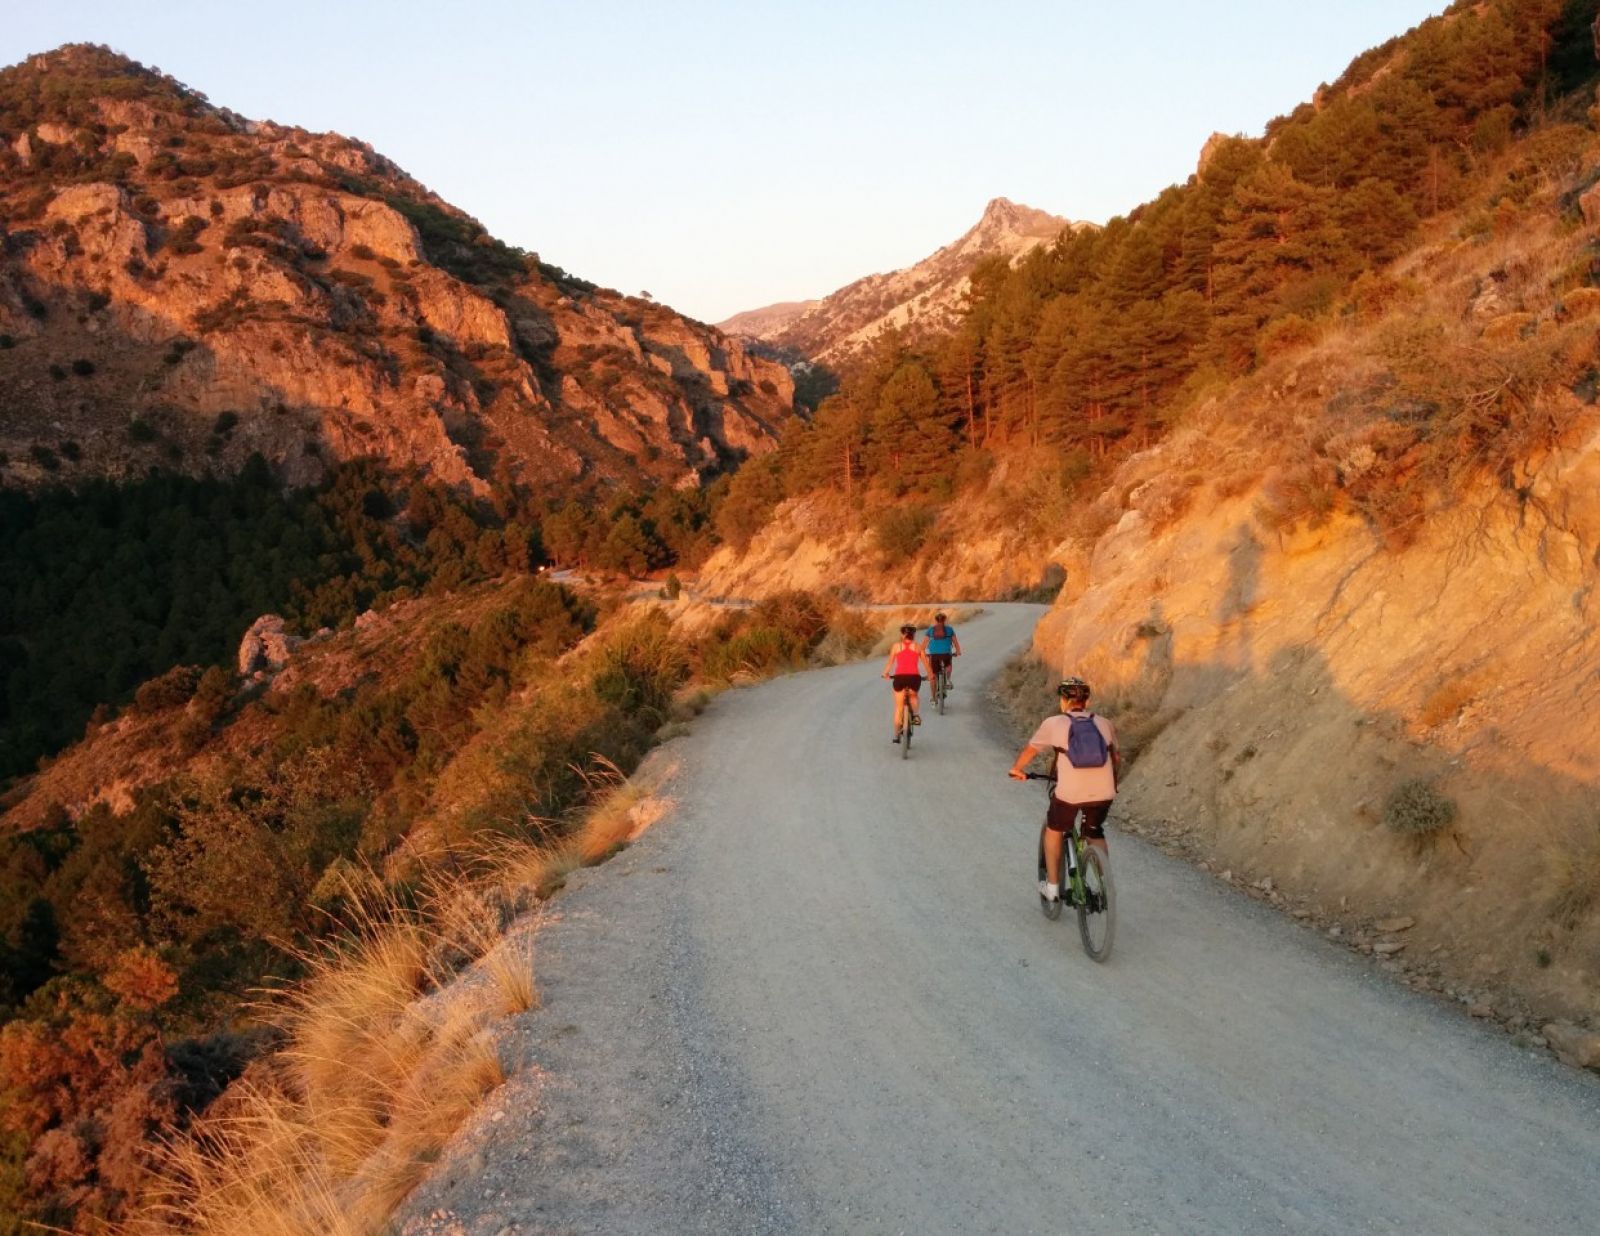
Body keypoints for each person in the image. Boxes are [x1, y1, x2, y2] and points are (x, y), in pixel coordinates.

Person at [1007, 676, 1120, 904]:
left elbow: (1031, 751)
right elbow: (1116, 758)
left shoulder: (1054, 723)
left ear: (1063, 700)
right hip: (1104, 791)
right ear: (1086, 701)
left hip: (1070, 793)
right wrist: (1110, 783)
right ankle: (1104, 883)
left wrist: (1017, 769)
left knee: (1054, 829)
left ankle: (1052, 886)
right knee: (1094, 832)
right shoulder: (1105, 723)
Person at [881, 624, 931, 743]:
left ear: (902, 634)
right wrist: (931, 675)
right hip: (914, 678)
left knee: (898, 707)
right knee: (914, 696)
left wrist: (885, 674)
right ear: (913, 635)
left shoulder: (896, 646)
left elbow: (890, 662)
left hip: (900, 678)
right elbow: (925, 663)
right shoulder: (918, 647)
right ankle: (915, 715)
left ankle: (896, 735)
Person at [920, 612, 962, 691]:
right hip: (946, 654)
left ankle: (934, 696)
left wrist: (923, 653)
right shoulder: (949, 629)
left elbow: (923, 645)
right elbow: (955, 642)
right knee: (948, 665)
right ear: (945, 620)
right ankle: (948, 680)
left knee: (933, 672)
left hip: (934, 655)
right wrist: (958, 651)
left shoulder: (930, 630)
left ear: (935, 620)